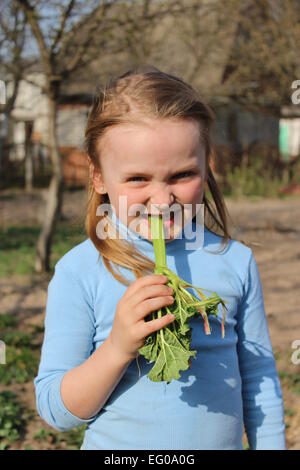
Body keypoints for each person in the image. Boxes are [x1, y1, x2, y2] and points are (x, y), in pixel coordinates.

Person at [34, 65, 286, 450]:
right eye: (137, 179)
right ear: (98, 175)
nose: (163, 199)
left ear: (207, 165)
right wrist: (118, 348)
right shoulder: (79, 271)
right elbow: (56, 412)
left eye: (182, 175)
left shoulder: (234, 261)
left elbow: (259, 379)